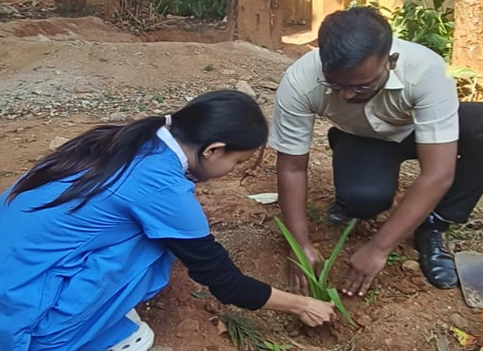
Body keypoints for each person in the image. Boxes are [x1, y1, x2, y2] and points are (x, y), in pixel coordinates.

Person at [0, 90, 336, 351]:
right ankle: (87, 334)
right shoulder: (161, 186)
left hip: (14, 270)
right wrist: (303, 304)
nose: (234, 171)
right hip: (19, 315)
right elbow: (223, 280)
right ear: (213, 150)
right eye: (238, 162)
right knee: (157, 243)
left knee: (143, 230)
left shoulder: (133, 138)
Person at [268, 7, 483, 296]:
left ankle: (434, 223)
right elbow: (291, 167)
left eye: (362, 85)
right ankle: (353, 188)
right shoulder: (301, 80)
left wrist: (379, 248)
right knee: (364, 200)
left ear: (390, 61)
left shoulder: (425, 70)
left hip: (419, 130)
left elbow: (437, 174)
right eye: (336, 85)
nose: (348, 95)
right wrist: (299, 244)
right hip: (361, 137)